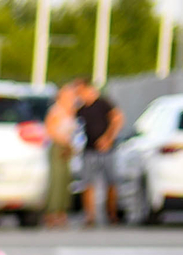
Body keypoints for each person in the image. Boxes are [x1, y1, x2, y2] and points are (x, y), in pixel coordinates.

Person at [74, 80, 123, 227]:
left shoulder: (103, 103)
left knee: (111, 182)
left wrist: (108, 138)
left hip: (106, 149)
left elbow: (118, 118)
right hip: (89, 149)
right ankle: (90, 216)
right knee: (88, 183)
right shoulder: (81, 109)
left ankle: (111, 213)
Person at [42, 82, 79, 230]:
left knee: (65, 180)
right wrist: (64, 142)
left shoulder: (70, 110)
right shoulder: (55, 111)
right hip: (58, 146)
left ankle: (62, 211)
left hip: (67, 147)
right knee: (56, 180)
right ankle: (52, 212)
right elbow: (50, 130)